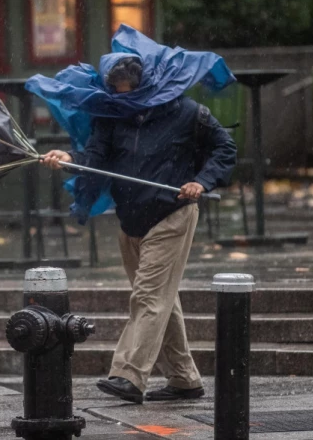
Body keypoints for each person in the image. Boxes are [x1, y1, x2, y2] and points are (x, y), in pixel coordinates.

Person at [40, 56, 236, 404]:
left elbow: (225, 148)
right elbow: (95, 159)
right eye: (117, 92)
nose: (124, 97)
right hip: (130, 221)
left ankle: (128, 375)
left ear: (147, 84)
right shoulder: (112, 114)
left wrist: (202, 181)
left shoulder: (187, 112)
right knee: (160, 301)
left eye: (130, 91)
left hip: (172, 213)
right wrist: (69, 160)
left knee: (148, 297)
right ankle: (184, 378)